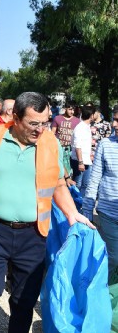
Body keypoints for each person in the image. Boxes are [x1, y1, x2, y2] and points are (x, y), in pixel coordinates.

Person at [0, 92, 94, 333]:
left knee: (24, 299)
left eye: (45, 122)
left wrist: (72, 214)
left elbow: (58, 184)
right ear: (15, 118)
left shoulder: (51, 143)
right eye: (33, 123)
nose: (41, 129)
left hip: (34, 235)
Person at [82, 106, 118, 269]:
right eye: (114, 119)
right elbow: (94, 178)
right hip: (108, 213)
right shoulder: (105, 144)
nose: (114, 125)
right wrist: (87, 210)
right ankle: (106, 292)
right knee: (114, 257)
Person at [51, 101, 80, 175]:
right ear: (65, 109)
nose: (72, 112)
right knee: (60, 168)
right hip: (60, 148)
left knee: (70, 170)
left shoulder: (77, 121)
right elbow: (52, 133)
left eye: (73, 110)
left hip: (71, 149)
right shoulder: (57, 118)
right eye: (70, 109)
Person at [70, 106, 93, 195]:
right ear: (91, 115)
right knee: (77, 185)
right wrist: (80, 162)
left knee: (85, 185)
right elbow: (77, 146)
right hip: (79, 161)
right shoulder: (80, 127)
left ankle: (81, 204)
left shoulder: (87, 127)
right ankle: (74, 205)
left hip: (87, 161)